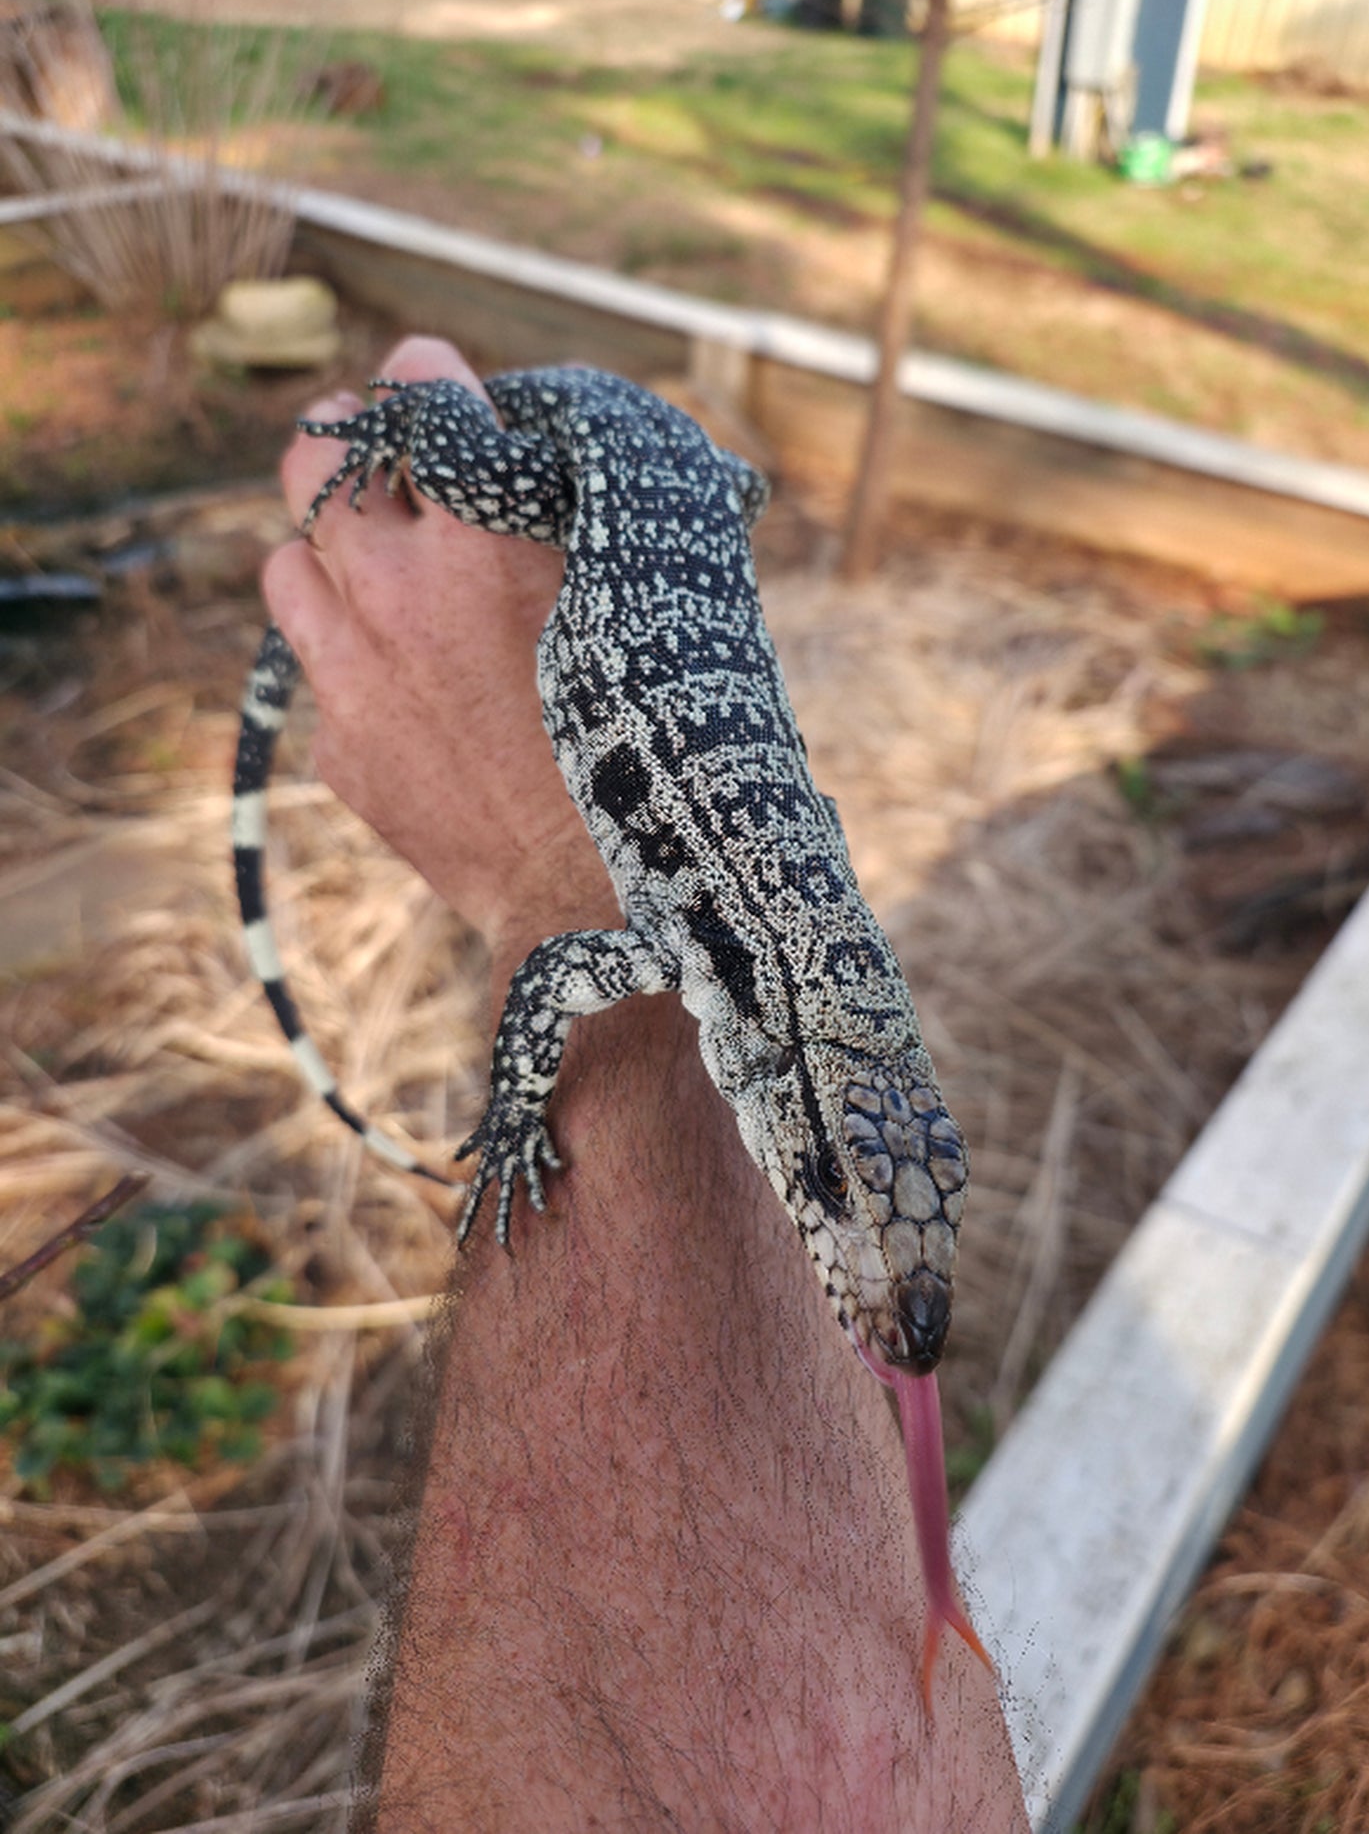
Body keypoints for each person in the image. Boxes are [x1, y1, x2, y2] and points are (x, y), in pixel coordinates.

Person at [265, 335, 1029, 1831]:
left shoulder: (811, 964)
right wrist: (513, 1122)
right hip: (591, 448)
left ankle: (697, 464)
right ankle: (425, 422)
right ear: (790, 1119)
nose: (874, 1287)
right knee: (464, 471)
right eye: (828, 1194)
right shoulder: (713, 949)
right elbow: (561, 971)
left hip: (678, 469)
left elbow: (600, 962)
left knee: (681, 483)